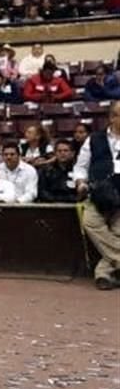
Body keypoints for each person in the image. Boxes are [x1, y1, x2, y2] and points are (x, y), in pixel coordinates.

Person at [73, 101, 120, 290]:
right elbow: (80, 167)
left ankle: (103, 273)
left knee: (119, 232)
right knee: (90, 222)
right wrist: (80, 182)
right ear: (112, 117)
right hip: (99, 194)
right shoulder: (93, 139)